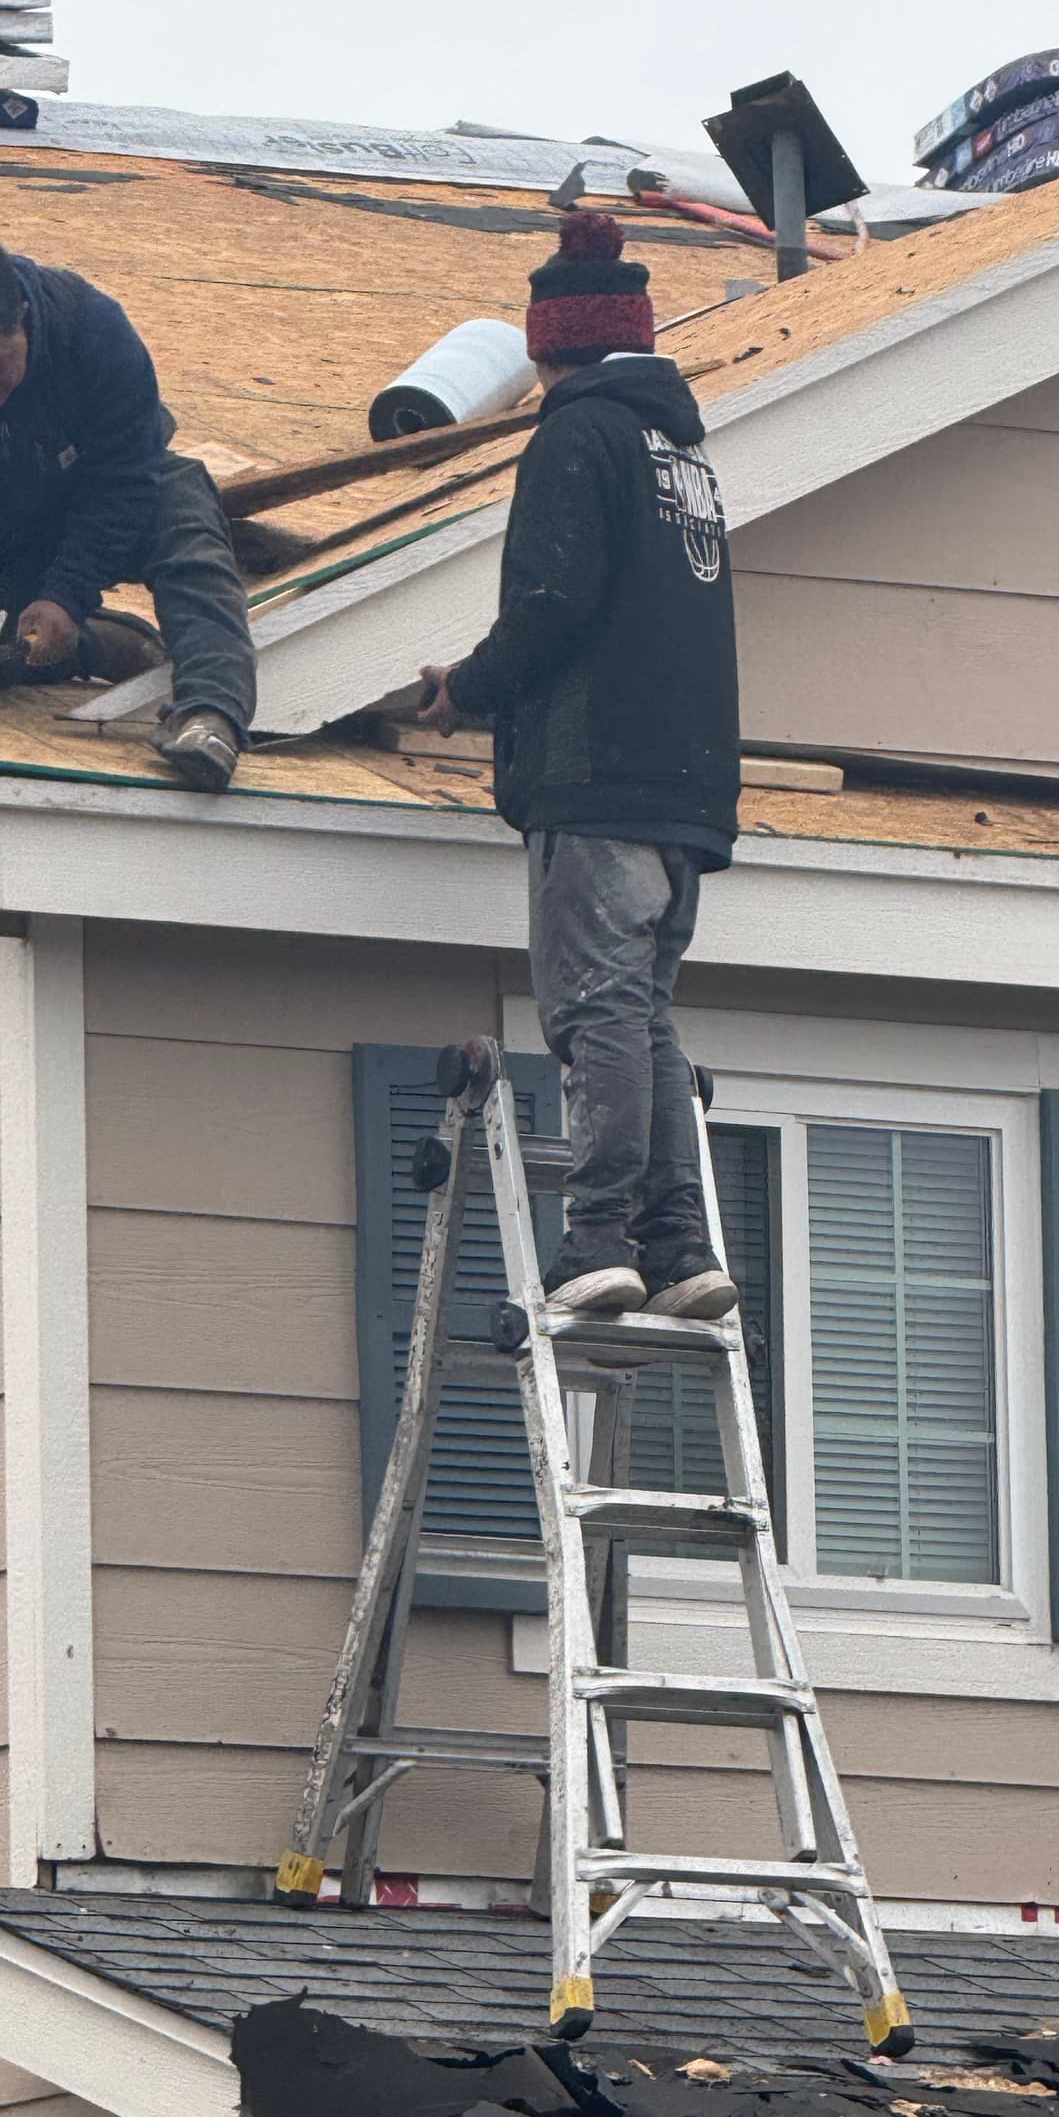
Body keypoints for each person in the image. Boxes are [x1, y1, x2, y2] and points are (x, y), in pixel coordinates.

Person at [416, 211, 741, 1321]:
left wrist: (467, 687)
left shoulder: (578, 435)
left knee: (595, 1009)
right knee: (643, 1014)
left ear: (550, 351)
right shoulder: (680, 448)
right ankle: (680, 1243)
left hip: (596, 778)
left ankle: (598, 1236)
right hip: (685, 792)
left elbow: (551, 605)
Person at [0, 232, 257, 792]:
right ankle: (99, 644)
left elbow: (123, 478)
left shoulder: (92, 328)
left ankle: (211, 713)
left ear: (22, 319)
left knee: (188, 525)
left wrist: (66, 594)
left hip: (105, 494)